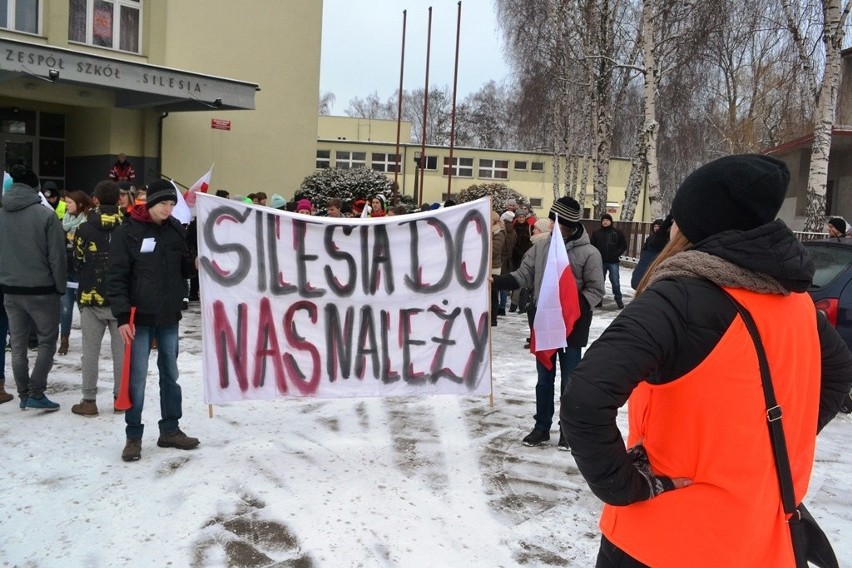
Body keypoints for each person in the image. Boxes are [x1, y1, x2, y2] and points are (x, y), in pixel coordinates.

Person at [560, 154, 852, 567]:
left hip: (663, 540)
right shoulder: (797, 302)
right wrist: (779, 442)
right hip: (762, 539)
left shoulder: (678, 298)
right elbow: (838, 371)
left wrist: (625, 486)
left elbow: (583, 399)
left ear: (694, 221)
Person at [493, 196, 604, 448]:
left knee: (570, 381)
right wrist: (496, 282)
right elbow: (523, 275)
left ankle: (568, 430)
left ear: (569, 223)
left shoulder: (589, 253)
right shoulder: (541, 248)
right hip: (543, 323)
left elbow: (596, 290)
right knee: (544, 379)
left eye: (558, 222)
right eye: (552, 221)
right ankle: (541, 427)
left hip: (573, 326)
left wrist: (575, 308)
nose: (553, 226)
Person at [107, 179, 200, 461]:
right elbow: (117, 276)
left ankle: (170, 429)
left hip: (169, 315)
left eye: (172, 204)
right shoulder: (128, 232)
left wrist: (196, 263)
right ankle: (133, 435)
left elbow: (183, 268)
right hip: (138, 318)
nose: (168, 209)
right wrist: (122, 316)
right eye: (163, 204)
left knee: (170, 375)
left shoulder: (174, 229)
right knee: (136, 379)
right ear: (149, 203)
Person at [0, 165, 66, 410]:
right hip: (42, 290)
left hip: (10, 289)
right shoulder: (46, 216)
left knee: (17, 344)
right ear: (35, 189)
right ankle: (37, 392)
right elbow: (57, 258)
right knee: (47, 342)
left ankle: (24, 394)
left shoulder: (2, 215)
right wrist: (60, 287)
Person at [71, 181, 125, 416]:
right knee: (122, 354)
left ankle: (89, 400)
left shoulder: (84, 229)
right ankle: (120, 398)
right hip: (121, 299)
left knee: (90, 352)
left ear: (95, 200)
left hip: (91, 296)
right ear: (119, 200)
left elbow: (78, 261)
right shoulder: (128, 227)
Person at [58, 190, 93, 355]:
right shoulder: (63, 221)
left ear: (79, 204)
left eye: (70, 202)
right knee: (65, 308)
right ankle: (64, 339)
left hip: (81, 272)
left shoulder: (88, 223)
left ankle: (89, 341)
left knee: (83, 309)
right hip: (66, 270)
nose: (66, 206)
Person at [590, 213, 627, 309]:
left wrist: (617, 253)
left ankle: (619, 300)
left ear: (611, 221)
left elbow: (623, 245)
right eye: (603, 220)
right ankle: (599, 300)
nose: (605, 222)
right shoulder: (596, 233)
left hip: (613, 261)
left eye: (607, 220)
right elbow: (592, 246)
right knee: (599, 282)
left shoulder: (617, 233)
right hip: (600, 262)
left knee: (615, 281)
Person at [630, 216, 671, 290]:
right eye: (654, 226)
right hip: (647, 260)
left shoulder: (667, 237)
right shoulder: (650, 238)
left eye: (658, 226)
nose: (656, 228)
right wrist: (643, 255)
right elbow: (644, 248)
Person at [490, 210, 506, 327]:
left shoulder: (498, 233)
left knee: (493, 294)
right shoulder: (490, 231)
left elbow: (495, 250)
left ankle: (493, 319)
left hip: (494, 267)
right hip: (487, 267)